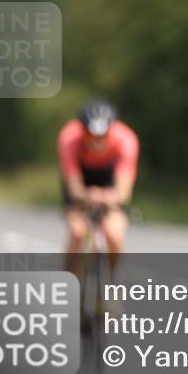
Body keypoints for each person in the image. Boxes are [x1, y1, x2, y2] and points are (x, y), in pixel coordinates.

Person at [57, 99, 139, 276]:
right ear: (82, 129)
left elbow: (124, 192)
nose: (96, 142)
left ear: (111, 129)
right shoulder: (69, 138)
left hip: (109, 179)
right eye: (90, 135)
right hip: (82, 178)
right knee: (77, 232)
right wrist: (86, 196)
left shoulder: (127, 140)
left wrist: (107, 197)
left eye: (102, 136)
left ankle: (113, 279)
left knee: (114, 234)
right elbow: (73, 185)